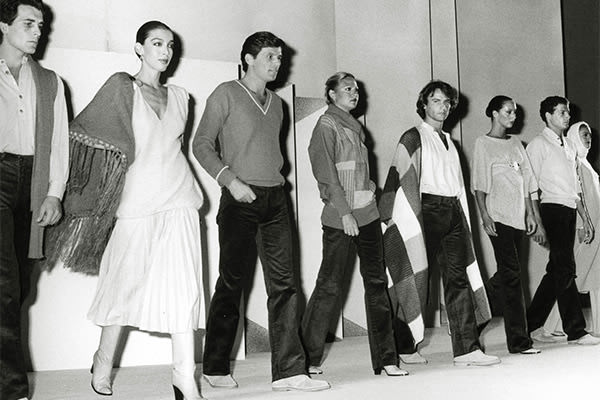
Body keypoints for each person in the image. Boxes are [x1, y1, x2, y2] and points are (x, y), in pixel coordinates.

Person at [49, 21, 206, 399]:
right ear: (139, 48)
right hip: (136, 202)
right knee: (122, 285)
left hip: (181, 199)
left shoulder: (181, 97)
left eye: (170, 45)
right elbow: (84, 132)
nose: (165, 51)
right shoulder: (122, 88)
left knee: (184, 291)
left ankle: (184, 378)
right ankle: (103, 361)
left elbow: (174, 149)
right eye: (157, 43)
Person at [192, 31, 329, 392]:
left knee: (285, 285)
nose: (276, 63)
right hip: (239, 199)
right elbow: (201, 144)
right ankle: (214, 366)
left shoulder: (279, 105)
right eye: (270, 56)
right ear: (249, 59)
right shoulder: (225, 93)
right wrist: (230, 181)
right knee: (231, 283)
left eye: (279, 57)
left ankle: (289, 371)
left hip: (276, 200)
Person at [379, 80, 498, 366]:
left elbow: (458, 185)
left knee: (458, 279)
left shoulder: (450, 143)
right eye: (436, 101)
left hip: (453, 211)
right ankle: (404, 346)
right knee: (417, 278)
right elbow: (400, 178)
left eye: (446, 102)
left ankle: (467, 349)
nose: (442, 107)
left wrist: (463, 216)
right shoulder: (413, 136)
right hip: (426, 211)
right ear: (424, 104)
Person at [301, 72, 407, 377]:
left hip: (368, 214)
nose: (354, 92)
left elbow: (357, 172)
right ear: (331, 95)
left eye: (356, 89)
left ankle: (387, 360)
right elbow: (326, 174)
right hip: (341, 218)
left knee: (377, 284)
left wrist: (371, 189)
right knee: (329, 286)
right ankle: (305, 359)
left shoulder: (356, 128)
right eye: (347, 88)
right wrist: (345, 213)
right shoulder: (326, 124)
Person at [0, 1, 68, 399]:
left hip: (33, 180)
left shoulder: (49, 81)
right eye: (28, 24)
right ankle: (12, 390)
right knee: (5, 286)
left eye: (40, 25)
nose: (38, 32)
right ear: (3, 25)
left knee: (21, 286)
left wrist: (54, 193)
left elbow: (58, 143)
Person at [526, 96, 600, 346]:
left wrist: (585, 218)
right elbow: (529, 185)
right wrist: (535, 219)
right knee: (566, 268)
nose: (567, 116)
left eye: (568, 112)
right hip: (551, 208)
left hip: (569, 209)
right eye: (561, 112)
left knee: (556, 270)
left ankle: (531, 324)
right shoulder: (538, 144)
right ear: (548, 116)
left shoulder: (568, 146)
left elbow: (575, 187)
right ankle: (576, 330)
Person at [471, 95, 540, 354]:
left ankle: (472, 315)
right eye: (508, 111)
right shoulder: (483, 143)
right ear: (494, 113)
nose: (513, 116)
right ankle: (519, 341)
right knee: (512, 276)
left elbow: (528, 182)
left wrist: (531, 214)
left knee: (509, 274)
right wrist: (485, 216)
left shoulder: (516, 144)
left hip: (518, 217)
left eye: (515, 112)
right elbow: (479, 185)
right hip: (498, 216)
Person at [541, 121, 600, 337]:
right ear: (574, 137)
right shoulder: (575, 164)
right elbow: (576, 198)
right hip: (586, 233)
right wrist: (582, 225)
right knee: (572, 279)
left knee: (594, 278)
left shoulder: (586, 165)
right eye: (584, 135)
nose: (588, 139)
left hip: (596, 231)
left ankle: (595, 326)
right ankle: (551, 327)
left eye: (589, 135)